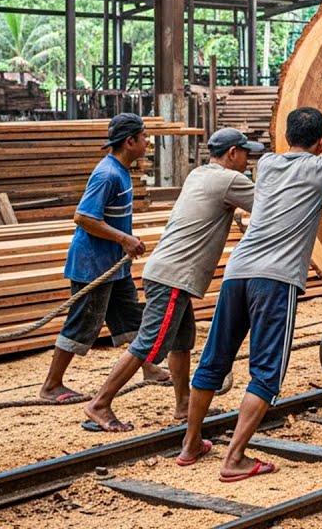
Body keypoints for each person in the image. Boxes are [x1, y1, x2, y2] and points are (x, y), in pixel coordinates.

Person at [179, 93, 322, 480]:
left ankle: (190, 445)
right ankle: (234, 459)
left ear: (287, 136)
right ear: (319, 141)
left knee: (214, 359)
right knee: (266, 372)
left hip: (238, 272)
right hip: (276, 279)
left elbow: (308, 150)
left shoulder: (267, 164)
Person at [81, 128, 261, 433]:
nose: (248, 159)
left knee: (181, 340)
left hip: (167, 272)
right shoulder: (229, 179)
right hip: (174, 278)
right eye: (246, 153)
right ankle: (99, 403)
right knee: (148, 342)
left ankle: (183, 404)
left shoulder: (199, 174)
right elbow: (270, 204)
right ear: (232, 153)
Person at [40, 113, 169, 403]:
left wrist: (123, 243)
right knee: (82, 324)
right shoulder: (107, 174)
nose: (147, 143)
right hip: (93, 267)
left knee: (130, 318)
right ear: (130, 141)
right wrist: (124, 239)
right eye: (144, 137)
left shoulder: (121, 171)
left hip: (113, 265)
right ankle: (51, 385)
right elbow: (83, 217)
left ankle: (149, 367)